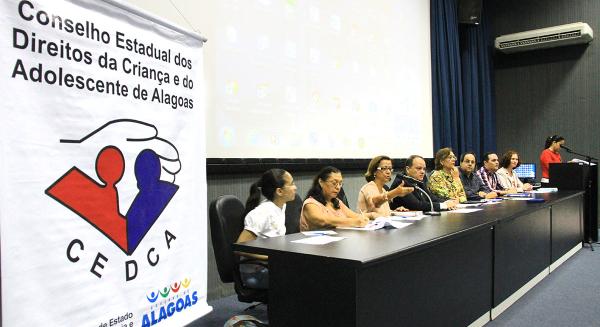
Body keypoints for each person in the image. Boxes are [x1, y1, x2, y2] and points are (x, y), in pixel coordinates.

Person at [236, 168, 297, 289]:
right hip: (256, 272)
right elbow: (240, 248)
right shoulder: (262, 213)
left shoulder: (281, 206)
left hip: (272, 266)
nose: (295, 187)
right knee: (304, 277)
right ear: (279, 191)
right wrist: (271, 257)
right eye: (292, 184)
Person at [300, 166, 374, 231]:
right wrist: (353, 222)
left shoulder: (337, 202)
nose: (338, 187)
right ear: (321, 182)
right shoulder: (310, 203)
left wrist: (365, 218)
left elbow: (355, 216)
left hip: (337, 243)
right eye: (334, 183)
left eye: (340, 183)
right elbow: (323, 221)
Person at [389, 155, 458, 211]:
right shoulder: (401, 182)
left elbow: (431, 198)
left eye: (424, 169)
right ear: (407, 169)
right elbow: (417, 205)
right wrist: (444, 205)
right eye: (418, 168)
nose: (422, 172)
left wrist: (448, 201)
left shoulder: (418, 180)